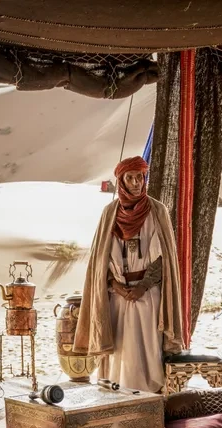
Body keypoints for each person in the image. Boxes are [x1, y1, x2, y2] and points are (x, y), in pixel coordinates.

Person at [73, 156, 184, 393]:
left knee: (146, 349)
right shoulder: (109, 213)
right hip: (118, 296)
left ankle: (146, 396)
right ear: (121, 181)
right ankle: (116, 395)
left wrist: (143, 286)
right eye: (130, 178)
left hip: (148, 294)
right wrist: (117, 287)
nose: (135, 183)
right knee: (119, 347)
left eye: (139, 177)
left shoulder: (157, 211)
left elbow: (164, 257)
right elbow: (100, 259)